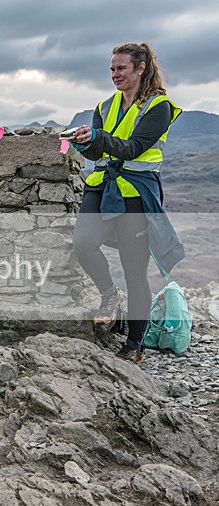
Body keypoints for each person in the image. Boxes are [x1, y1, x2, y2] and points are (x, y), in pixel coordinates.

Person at [70, 43, 184, 364]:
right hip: (102, 187)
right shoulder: (105, 107)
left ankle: (135, 345)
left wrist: (96, 137)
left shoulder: (159, 107)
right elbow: (97, 153)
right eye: (111, 69)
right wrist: (85, 143)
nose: (115, 75)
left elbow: (133, 148)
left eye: (121, 68)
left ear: (141, 67)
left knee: (135, 270)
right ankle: (110, 295)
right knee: (83, 243)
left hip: (136, 193)